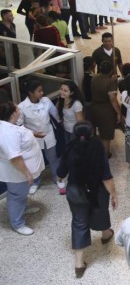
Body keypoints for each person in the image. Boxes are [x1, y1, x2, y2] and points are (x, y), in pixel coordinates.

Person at [57, 121, 117, 278]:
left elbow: (61, 172)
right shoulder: (98, 149)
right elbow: (106, 177)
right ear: (92, 134)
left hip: (75, 191)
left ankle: (78, 264)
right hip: (97, 190)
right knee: (100, 211)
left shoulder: (69, 148)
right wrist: (114, 194)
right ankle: (105, 234)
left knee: (79, 221)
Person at [0, 102, 45, 236]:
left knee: (21, 193)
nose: (20, 109)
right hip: (17, 173)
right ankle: (17, 224)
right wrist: (27, 173)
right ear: (13, 113)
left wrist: (33, 135)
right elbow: (14, 157)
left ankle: (23, 208)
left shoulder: (8, 126)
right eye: (17, 108)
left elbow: (19, 135)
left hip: (19, 173)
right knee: (16, 196)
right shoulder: (7, 133)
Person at [17, 80, 66, 195]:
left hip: (48, 134)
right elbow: (19, 126)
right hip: (32, 138)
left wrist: (63, 122)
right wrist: (33, 134)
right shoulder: (22, 107)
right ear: (30, 93)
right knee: (34, 161)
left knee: (53, 158)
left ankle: (57, 178)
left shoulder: (46, 101)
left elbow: (56, 115)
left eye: (42, 90)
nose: (42, 93)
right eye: (39, 91)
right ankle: (35, 182)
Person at [91, 61, 123, 157]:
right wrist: (118, 113)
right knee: (106, 132)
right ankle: (106, 152)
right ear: (111, 71)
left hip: (94, 106)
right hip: (105, 109)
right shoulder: (110, 82)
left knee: (97, 129)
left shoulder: (94, 77)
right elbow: (113, 99)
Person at [56, 80, 84, 145]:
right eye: (61, 89)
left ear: (71, 93)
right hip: (66, 130)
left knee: (73, 150)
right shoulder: (61, 100)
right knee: (68, 148)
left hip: (74, 132)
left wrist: (81, 136)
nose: (62, 92)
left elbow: (80, 122)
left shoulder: (77, 104)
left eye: (65, 91)